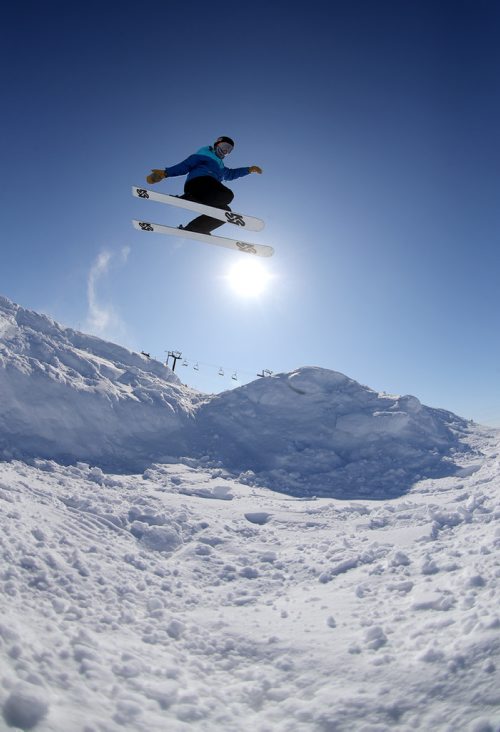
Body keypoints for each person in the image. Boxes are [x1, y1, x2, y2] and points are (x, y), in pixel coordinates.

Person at [146, 136, 262, 235]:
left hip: (208, 191)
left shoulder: (221, 167)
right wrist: (165, 173)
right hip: (197, 184)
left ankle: (195, 229)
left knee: (225, 213)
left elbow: (231, 174)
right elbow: (186, 165)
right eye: (224, 146)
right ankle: (190, 198)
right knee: (227, 195)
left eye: (229, 150)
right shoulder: (204, 154)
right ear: (217, 144)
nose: (225, 151)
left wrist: (248, 170)